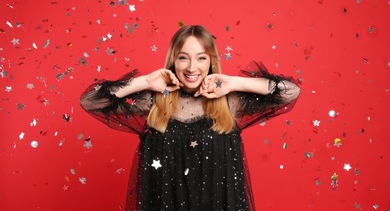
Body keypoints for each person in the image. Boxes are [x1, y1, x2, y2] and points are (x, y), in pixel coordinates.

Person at [80, 25, 300, 211]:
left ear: (211, 61)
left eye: (201, 58)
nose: (192, 67)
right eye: (183, 58)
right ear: (173, 60)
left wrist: (234, 83)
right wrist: (146, 81)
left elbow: (290, 91)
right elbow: (90, 101)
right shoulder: (154, 102)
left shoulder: (229, 102)